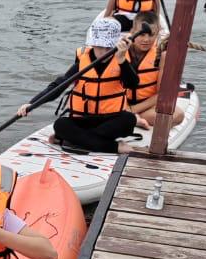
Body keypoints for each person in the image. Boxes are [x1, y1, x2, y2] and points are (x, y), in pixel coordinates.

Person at [16, 16, 147, 155]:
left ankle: (72, 140)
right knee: (60, 125)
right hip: (83, 119)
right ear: (93, 44)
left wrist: (121, 60)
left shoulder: (121, 60)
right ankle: (112, 147)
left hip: (110, 119)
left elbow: (133, 84)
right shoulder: (82, 62)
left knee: (129, 120)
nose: (104, 52)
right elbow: (58, 86)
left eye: (109, 47)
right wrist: (32, 104)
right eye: (100, 46)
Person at [125, 12, 185, 126]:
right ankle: (132, 118)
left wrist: (133, 109)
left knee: (178, 115)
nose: (146, 39)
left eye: (151, 35)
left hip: (147, 106)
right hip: (121, 105)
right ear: (132, 32)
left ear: (157, 34)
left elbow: (162, 94)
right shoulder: (120, 51)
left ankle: (135, 118)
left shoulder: (161, 56)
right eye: (142, 34)